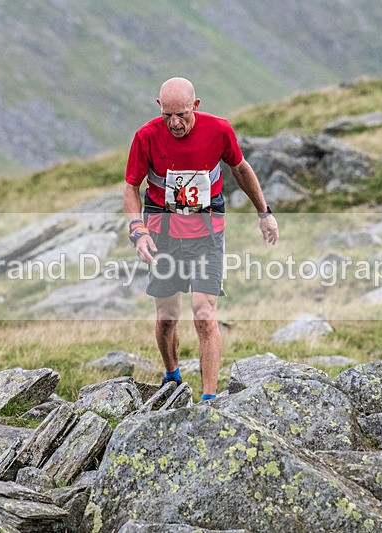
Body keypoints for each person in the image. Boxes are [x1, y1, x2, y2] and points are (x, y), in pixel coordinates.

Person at [124, 77, 278, 402]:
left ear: (196, 105)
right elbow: (131, 187)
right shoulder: (146, 137)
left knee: (204, 314)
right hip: (162, 234)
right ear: (159, 108)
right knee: (167, 317)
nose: (175, 123)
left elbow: (240, 169)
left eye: (182, 114)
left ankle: (209, 400)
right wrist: (138, 231)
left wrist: (264, 213)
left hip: (206, 233)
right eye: (168, 116)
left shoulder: (219, 130)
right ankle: (172, 377)